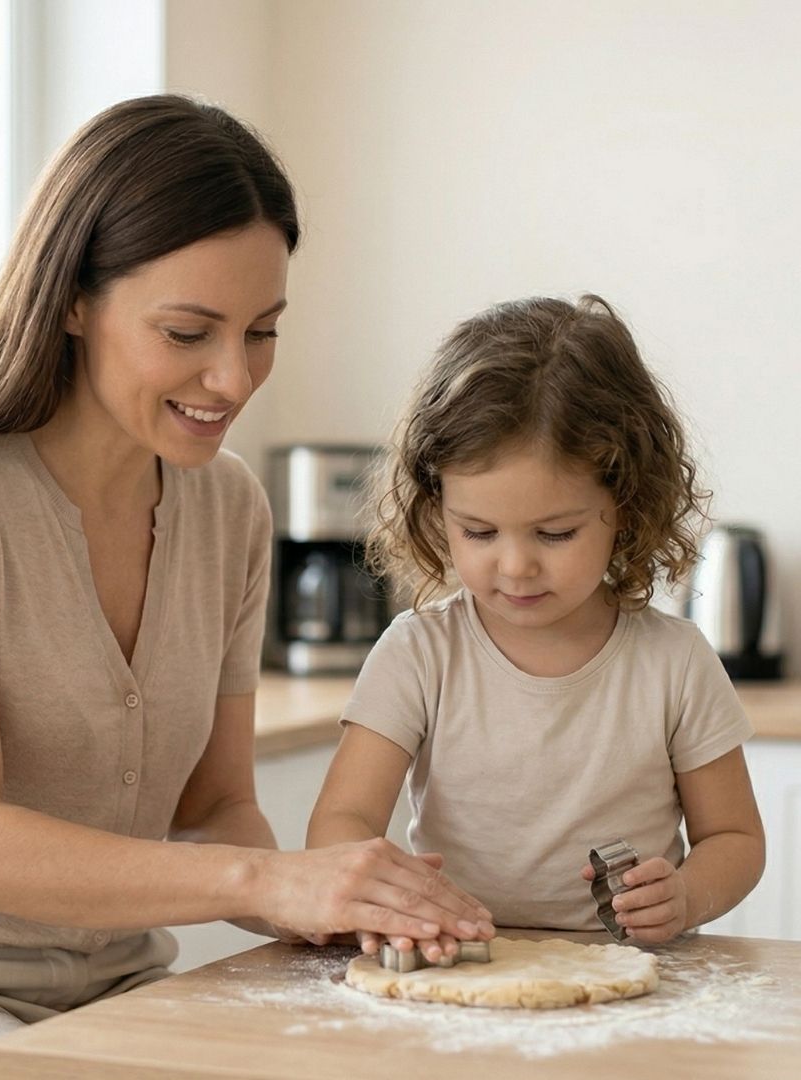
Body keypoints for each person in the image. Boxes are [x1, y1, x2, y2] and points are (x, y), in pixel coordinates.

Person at [0, 95, 492, 1079]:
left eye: (262, 331)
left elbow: (218, 802)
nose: (232, 379)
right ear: (72, 299)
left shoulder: (229, 506)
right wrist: (271, 882)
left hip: (114, 989)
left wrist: (336, 905)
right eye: (189, 332)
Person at [307, 295, 765, 965]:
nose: (516, 565)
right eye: (479, 531)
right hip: (457, 964)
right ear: (437, 508)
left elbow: (735, 838)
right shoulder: (418, 654)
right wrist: (385, 889)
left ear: (626, 504)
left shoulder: (676, 662)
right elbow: (340, 826)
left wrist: (688, 895)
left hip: (638, 979)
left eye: (556, 533)